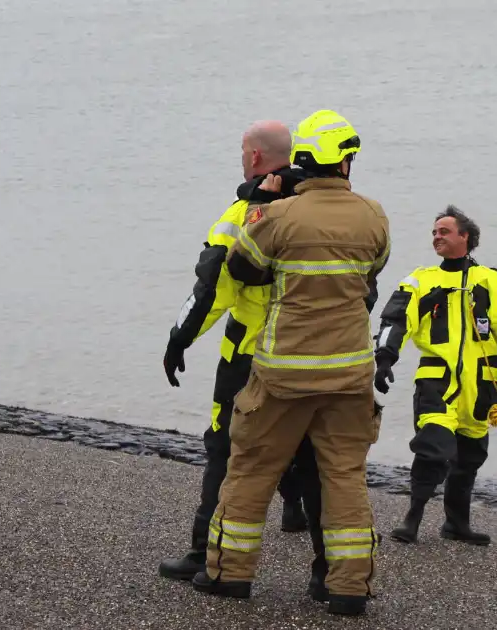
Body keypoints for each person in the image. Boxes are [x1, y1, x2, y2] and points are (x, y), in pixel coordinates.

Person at [192, 109, 390, 617]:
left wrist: (260, 203)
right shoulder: (374, 216)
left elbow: (242, 267)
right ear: (344, 164)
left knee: (253, 469)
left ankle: (228, 574)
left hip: (284, 372)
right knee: (344, 475)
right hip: (349, 374)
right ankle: (348, 587)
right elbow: (374, 269)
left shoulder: (277, 217)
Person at [158, 120, 316, 582]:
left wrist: (179, 338)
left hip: (249, 354)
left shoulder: (246, 210)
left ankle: (204, 552)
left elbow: (213, 287)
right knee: (315, 450)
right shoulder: (322, 207)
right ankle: (331, 571)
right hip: (314, 352)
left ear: (252, 157)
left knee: (225, 449)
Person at [374, 205, 497, 546]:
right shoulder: (421, 280)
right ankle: (412, 520)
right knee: (433, 449)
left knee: (470, 457)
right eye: (434, 232)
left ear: (466, 238)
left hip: (481, 387)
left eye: (444, 231)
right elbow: (395, 319)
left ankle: (456, 524)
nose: (437, 237)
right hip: (438, 380)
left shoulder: (494, 283)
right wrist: (385, 358)